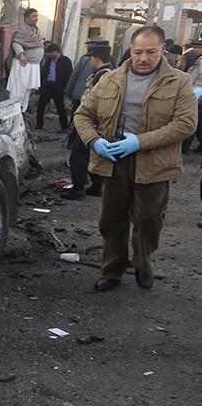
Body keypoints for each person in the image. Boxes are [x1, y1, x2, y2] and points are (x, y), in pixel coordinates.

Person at [74, 25, 197, 291]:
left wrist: (140, 142)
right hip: (115, 160)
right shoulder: (110, 79)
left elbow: (186, 124)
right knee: (111, 220)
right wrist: (95, 141)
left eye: (151, 52)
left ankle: (143, 264)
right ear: (131, 49)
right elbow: (82, 115)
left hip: (155, 163)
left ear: (163, 50)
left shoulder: (179, 81)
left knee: (149, 219)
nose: (144, 58)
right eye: (139, 51)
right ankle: (113, 270)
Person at [61, 45, 111, 200]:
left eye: (91, 58)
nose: (90, 61)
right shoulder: (106, 74)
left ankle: (78, 188)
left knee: (79, 156)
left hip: (91, 124)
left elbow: (102, 102)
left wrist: (94, 123)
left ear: (96, 58)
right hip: (95, 123)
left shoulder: (103, 76)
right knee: (94, 155)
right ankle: (96, 186)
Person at [8, 8, 44, 113]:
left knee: (27, 90)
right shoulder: (21, 30)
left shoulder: (37, 31)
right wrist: (21, 54)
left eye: (37, 16)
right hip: (23, 64)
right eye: (34, 16)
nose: (36, 18)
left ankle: (22, 111)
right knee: (18, 89)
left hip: (34, 65)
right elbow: (16, 43)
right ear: (27, 18)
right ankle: (13, 112)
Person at [36, 43, 72, 131]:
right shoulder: (48, 61)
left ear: (56, 51)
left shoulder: (65, 61)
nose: (49, 54)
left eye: (51, 52)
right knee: (41, 105)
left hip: (58, 87)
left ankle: (64, 126)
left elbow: (69, 75)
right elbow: (44, 74)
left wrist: (66, 88)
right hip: (47, 85)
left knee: (60, 107)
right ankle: (39, 125)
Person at [66, 36, 107, 109]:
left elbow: (74, 76)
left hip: (84, 98)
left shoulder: (85, 60)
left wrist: (69, 92)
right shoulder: (108, 62)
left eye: (89, 44)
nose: (87, 46)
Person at [181, 39, 202, 153]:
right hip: (195, 93)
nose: (195, 50)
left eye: (199, 48)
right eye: (194, 47)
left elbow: (200, 80)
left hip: (197, 95)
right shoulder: (197, 60)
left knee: (192, 119)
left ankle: (186, 146)